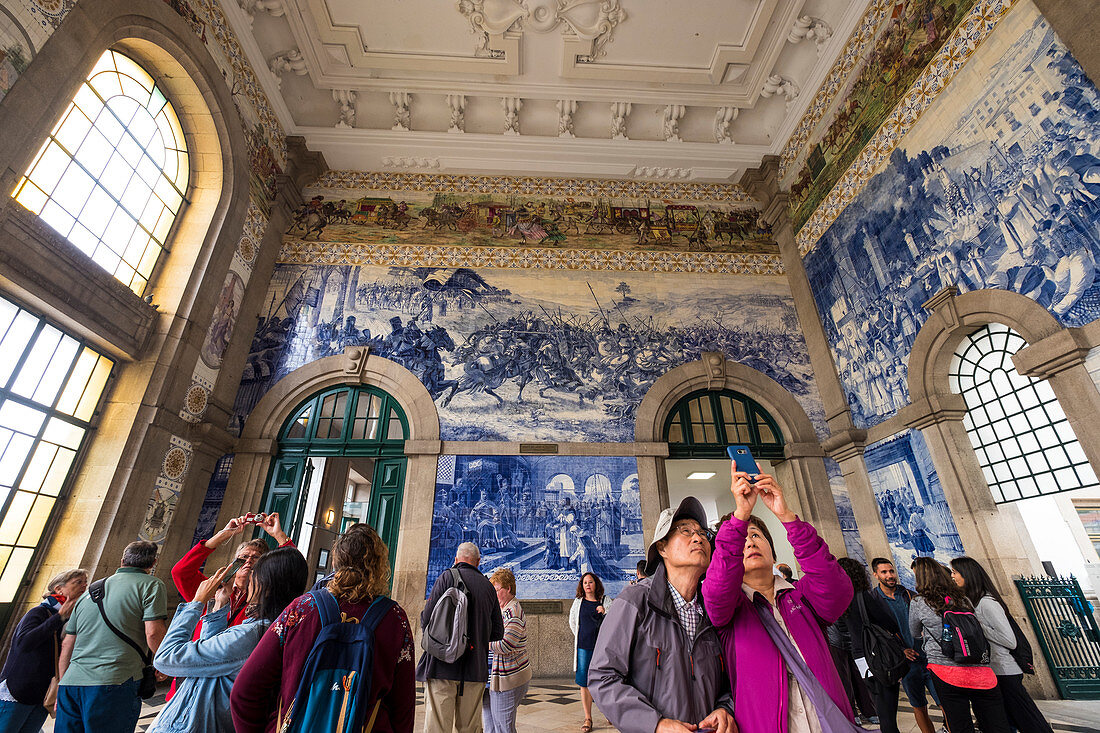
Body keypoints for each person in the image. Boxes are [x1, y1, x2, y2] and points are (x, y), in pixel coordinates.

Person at [700, 467, 854, 732]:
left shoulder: (802, 597)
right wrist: (740, 516)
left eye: (756, 536)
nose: (748, 543)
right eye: (742, 540)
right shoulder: (729, 610)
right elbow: (718, 586)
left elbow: (836, 589)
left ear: (773, 552)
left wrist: (786, 517)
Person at [232, 523, 414, 732]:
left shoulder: (301, 609)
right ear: (381, 566)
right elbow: (403, 711)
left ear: (336, 561)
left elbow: (244, 691)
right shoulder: (395, 619)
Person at [589, 497, 734, 733]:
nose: (698, 538)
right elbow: (603, 676)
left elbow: (733, 677)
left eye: (702, 533)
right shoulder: (635, 601)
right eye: (685, 531)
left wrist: (726, 708)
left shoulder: (714, 608)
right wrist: (655, 724)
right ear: (662, 547)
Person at [149, 546, 308, 732]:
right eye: (243, 558)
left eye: (256, 571)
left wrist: (197, 602)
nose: (250, 576)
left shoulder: (250, 634)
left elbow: (166, 658)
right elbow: (210, 661)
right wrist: (220, 606)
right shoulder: (270, 628)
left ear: (266, 584)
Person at [56, 541, 167, 733]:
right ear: (153, 563)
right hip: (114, 680)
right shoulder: (151, 584)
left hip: (71, 683)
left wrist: (62, 684)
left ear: (122, 560)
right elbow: (153, 633)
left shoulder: (89, 592)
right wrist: (167, 662)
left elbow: (68, 643)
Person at [949, 556, 1053, 733]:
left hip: (1005, 671)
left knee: (1030, 721)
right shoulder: (975, 602)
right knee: (1008, 721)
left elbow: (1009, 640)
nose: (952, 576)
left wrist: (978, 626)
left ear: (968, 575)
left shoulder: (987, 603)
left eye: (955, 572)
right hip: (994, 670)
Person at [909, 557, 1011, 733]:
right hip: (980, 669)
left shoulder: (919, 602)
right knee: (996, 724)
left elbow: (914, 632)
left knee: (960, 724)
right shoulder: (963, 598)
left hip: (945, 670)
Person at [417, 542, 503, 733]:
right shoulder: (488, 587)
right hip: (475, 669)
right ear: (478, 562)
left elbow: (426, 619)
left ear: (456, 559)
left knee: (437, 727)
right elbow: (498, 632)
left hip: (441, 666)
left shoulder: (447, 577)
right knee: (470, 729)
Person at [0, 569, 87, 732]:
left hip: (44, 693)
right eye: (78, 582)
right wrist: (59, 617)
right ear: (58, 589)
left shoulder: (73, 617)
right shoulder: (39, 612)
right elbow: (24, 643)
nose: (84, 585)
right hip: (18, 689)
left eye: (85, 582)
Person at [870, 557, 939, 733]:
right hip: (906, 664)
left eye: (891, 571)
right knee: (919, 705)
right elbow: (878, 634)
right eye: (884, 572)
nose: (889, 575)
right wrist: (901, 650)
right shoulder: (873, 601)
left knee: (943, 701)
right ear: (876, 575)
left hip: (928, 657)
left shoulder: (909, 595)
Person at [832, 558, 879, 727]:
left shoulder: (834, 591)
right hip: (858, 642)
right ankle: (870, 711)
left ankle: (853, 713)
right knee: (862, 677)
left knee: (845, 679)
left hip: (837, 641)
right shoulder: (861, 594)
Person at [483, 568, 531, 733]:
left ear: (508, 588)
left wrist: (482, 641)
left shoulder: (513, 611)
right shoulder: (500, 609)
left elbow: (505, 645)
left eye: (497, 590)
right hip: (491, 678)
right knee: (490, 726)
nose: (494, 595)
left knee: (503, 727)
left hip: (507, 678)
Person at [569, 573, 611, 733]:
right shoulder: (578, 602)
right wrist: (582, 636)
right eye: (585, 582)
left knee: (604, 681)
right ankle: (588, 718)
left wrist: (605, 611)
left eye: (590, 582)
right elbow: (573, 622)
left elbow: (614, 621)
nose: (588, 585)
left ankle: (609, 712)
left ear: (596, 584)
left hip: (602, 649)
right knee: (584, 682)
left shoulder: (606, 601)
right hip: (584, 647)